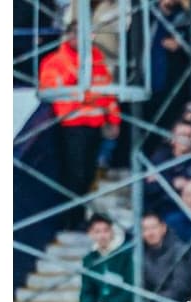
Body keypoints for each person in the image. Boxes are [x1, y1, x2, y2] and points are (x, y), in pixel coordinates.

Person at [38, 20, 122, 229]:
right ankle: (71, 220)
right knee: (74, 174)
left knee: (89, 173)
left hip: (94, 125)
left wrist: (113, 119)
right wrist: (90, 98)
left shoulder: (97, 59)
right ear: (69, 36)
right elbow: (56, 94)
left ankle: (79, 216)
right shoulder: (55, 62)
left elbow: (107, 92)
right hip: (71, 126)